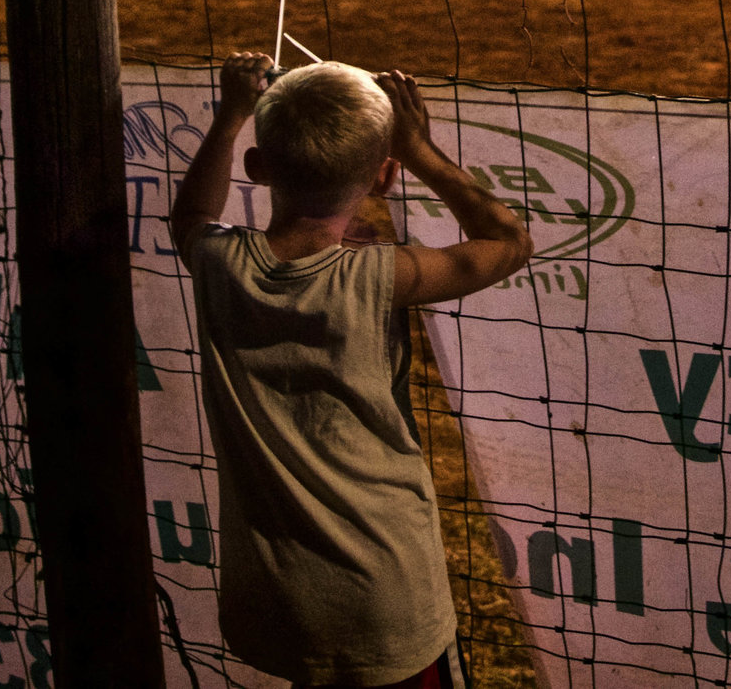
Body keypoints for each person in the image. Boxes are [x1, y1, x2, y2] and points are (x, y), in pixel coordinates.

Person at [171, 56, 532, 689]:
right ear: (384, 177)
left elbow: (189, 219)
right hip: (386, 598)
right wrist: (420, 147)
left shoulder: (219, 262)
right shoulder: (380, 276)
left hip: (277, 596)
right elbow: (508, 242)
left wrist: (229, 118)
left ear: (256, 170)